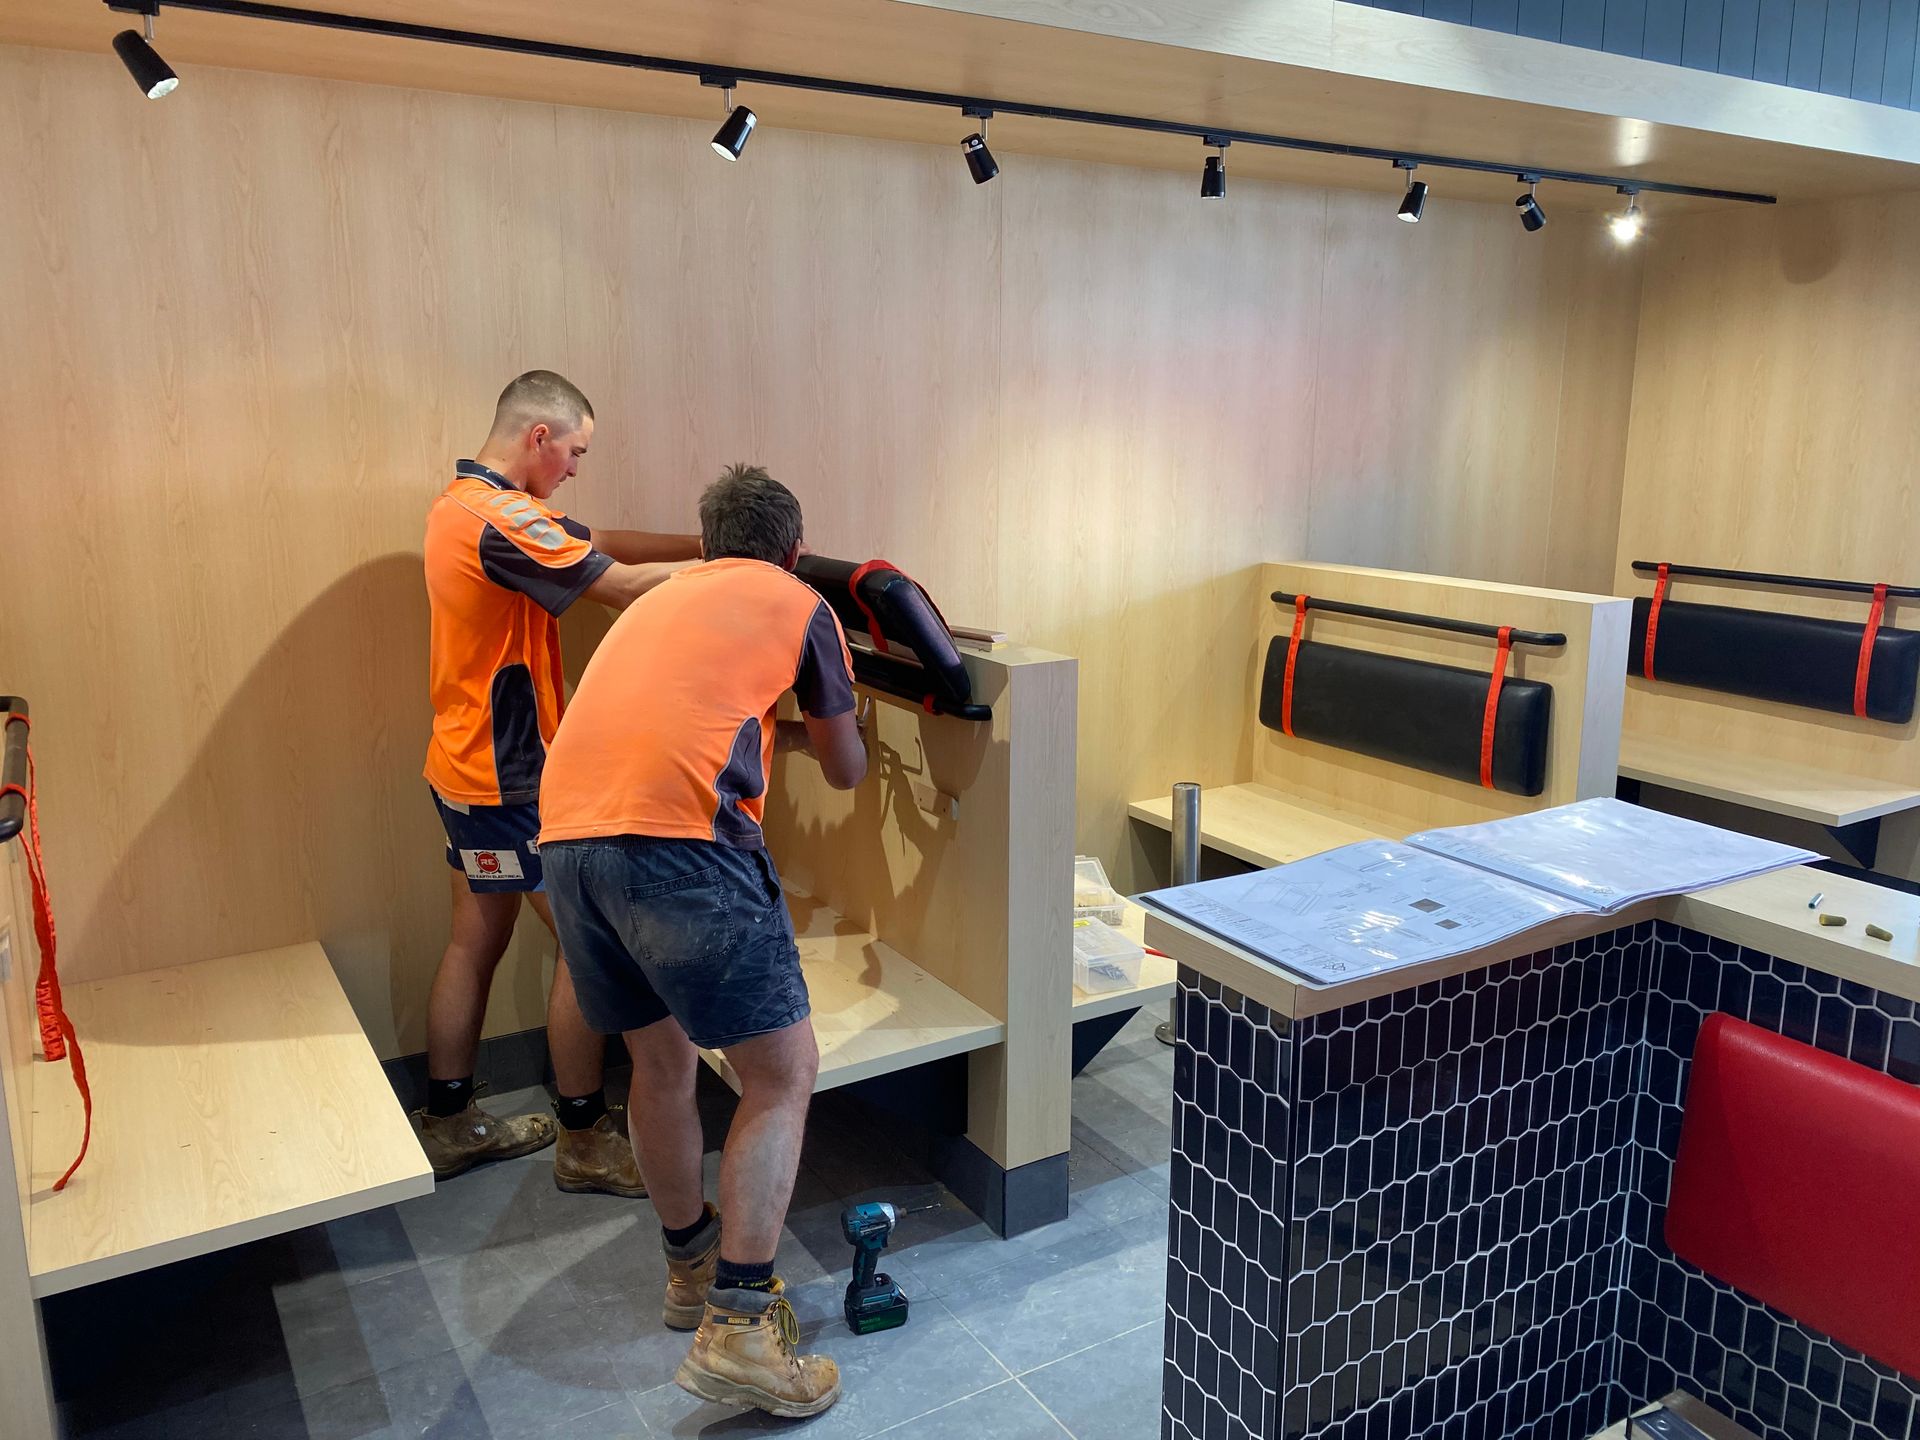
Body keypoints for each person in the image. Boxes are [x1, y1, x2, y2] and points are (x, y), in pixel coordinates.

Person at [538, 464, 867, 1419]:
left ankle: (689, 1270)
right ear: (793, 549)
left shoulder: (658, 598)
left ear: (708, 541)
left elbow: (684, 714)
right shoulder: (802, 602)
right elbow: (845, 768)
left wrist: (772, 731)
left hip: (569, 845)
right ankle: (743, 1326)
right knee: (780, 1073)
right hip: (681, 849)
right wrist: (828, 724)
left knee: (658, 1060)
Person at [415, 369, 702, 1195]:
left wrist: (699, 544)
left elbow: (600, 539)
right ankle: (583, 1138)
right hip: (509, 784)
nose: (576, 467)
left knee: (478, 937)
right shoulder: (501, 519)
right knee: (590, 942)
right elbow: (613, 586)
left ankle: (448, 1119)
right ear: (538, 438)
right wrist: (744, 576)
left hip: (465, 769)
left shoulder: (466, 506)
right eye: (574, 450)